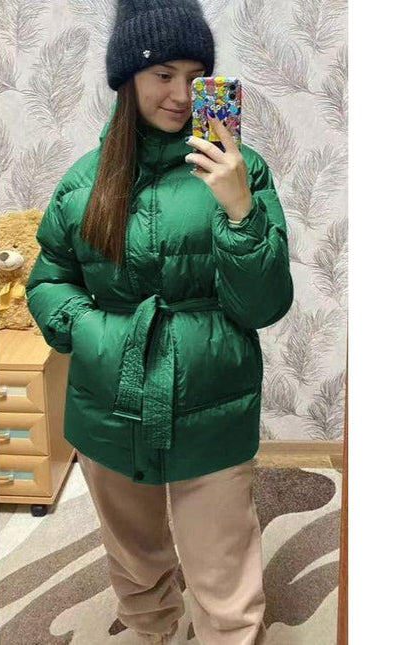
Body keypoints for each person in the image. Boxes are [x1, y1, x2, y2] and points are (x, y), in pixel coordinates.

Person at [26, 1, 294, 642]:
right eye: (163, 74)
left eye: (195, 76)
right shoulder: (84, 181)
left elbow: (263, 306)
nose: (179, 94)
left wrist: (239, 210)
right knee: (136, 561)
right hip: (108, 397)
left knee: (223, 569)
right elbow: (49, 279)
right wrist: (89, 331)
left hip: (213, 397)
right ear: (128, 79)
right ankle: (153, 633)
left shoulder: (242, 170)